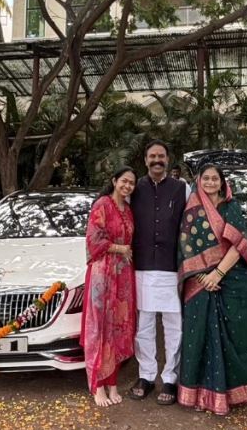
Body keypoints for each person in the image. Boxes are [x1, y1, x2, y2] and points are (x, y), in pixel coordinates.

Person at [177, 164, 247, 416]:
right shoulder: (191, 210)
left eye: (215, 178)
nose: (211, 182)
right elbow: (184, 249)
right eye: (206, 178)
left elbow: (239, 245)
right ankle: (202, 396)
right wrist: (203, 276)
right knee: (200, 335)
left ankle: (233, 395)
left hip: (232, 279)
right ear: (199, 181)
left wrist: (218, 273)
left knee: (235, 334)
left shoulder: (231, 207)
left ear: (223, 182)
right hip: (199, 281)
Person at [128, 139, 189, 405]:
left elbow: (192, 221)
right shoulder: (134, 188)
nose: (156, 160)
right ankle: (146, 375)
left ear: (167, 159)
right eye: (152, 156)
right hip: (142, 266)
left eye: (161, 156)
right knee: (144, 326)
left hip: (171, 267)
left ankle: (171, 378)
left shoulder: (181, 188)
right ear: (145, 160)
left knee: (174, 326)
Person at [81, 167, 138, 407]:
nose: (127, 186)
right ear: (114, 181)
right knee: (100, 327)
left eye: (132, 183)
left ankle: (113, 382)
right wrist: (119, 248)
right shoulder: (102, 204)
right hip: (103, 272)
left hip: (123, 274)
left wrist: (126, 252)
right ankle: (97, 385)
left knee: (118, 327)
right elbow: (93, 239)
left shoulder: (128, 210)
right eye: (124, 181)